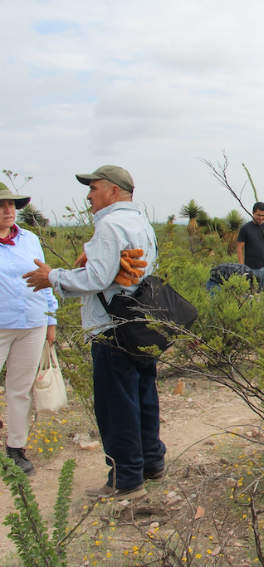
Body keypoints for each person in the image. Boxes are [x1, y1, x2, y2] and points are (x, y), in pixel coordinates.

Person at [23, 165, 163, 500]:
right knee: (143, 395)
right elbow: (135, 272)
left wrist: (52, 277)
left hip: (110, 328)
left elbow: (98, 279)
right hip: (140, 323)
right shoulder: (141, 222)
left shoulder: (110, 226)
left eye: (94, 188)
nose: (88, 195)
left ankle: (126, 480)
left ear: (113, 191)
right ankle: (151, 462)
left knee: (116, 404)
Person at [0, 183, 58, 475]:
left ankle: (16, 449)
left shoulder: (29, 239)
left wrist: (51, 319)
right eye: (1, 205)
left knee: (19, 389)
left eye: (11, 204)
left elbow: (44, 277)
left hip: (32, 323)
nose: (8, 210)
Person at [236, 202, 264, 290]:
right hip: (250, 268)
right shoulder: (245, 229)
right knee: (250, 294)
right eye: (258, 215)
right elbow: (239, 248)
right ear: (253, 213)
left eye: (263, 215)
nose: (261, 218)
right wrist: (241, 267)